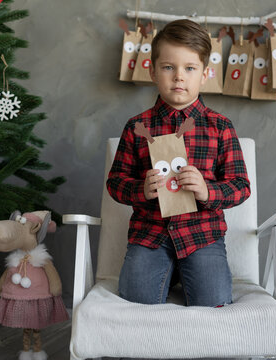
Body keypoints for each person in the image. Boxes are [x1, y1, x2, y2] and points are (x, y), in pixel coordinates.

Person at [106, 19, 251, 307]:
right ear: (152, 71)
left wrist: (207, 191)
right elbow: (115, 183)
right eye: (168, 67)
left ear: (205, 74)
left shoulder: (220, 126)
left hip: (202, 234)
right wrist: (141, 189)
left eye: (189, 68)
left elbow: (240, 186)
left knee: (214, 305)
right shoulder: (137, 126)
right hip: (149, 234)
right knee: (136, 302)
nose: (178, 77)